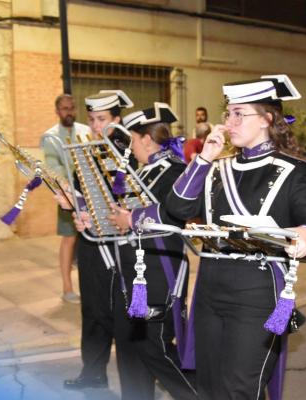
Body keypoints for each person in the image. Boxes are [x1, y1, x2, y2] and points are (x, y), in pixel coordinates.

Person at [166, 75, 306, 400]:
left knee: (240, 390)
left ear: (266, 119)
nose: (228, 122)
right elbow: (177, 207)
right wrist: (204, 158)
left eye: (238, 114)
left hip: (256, 295)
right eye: (227, 113)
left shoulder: (291, 170)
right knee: (208, 387)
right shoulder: (217, 168)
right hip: (209, 291)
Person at [104, 103, 197, 399]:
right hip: (134, 271)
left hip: (161, 272)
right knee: (134, 346)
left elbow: (173, 214)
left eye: (131, 140)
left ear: (145, 139)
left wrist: (130, 219)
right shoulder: (142, 173)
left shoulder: (177, 171)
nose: (129, 149)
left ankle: (199, 394)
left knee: (154, 346)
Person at [62, 90, 135, 390]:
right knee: (91, 309)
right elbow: (84, 196)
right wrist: (71, 202)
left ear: (117, 120)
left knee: (120, 314)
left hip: (120, 246)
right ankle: (93, 372)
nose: (94, 126)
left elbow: (132, 199)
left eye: (101, 119)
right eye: (91, 119)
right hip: (92, 243)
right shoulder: (88, 151)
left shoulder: (128, 153)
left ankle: (139, 382)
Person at [40, 94, 91, 304]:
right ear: (57, 111)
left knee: (89, 241)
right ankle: (67, 288)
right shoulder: (50, 137)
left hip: (89, 191)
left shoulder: (85, 131)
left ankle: (89, 287)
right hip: (68, 193)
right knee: (69, 238)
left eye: (71, 108)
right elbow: (54, 168)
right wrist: (70, 192)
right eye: (64, 109)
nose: (68, 112)